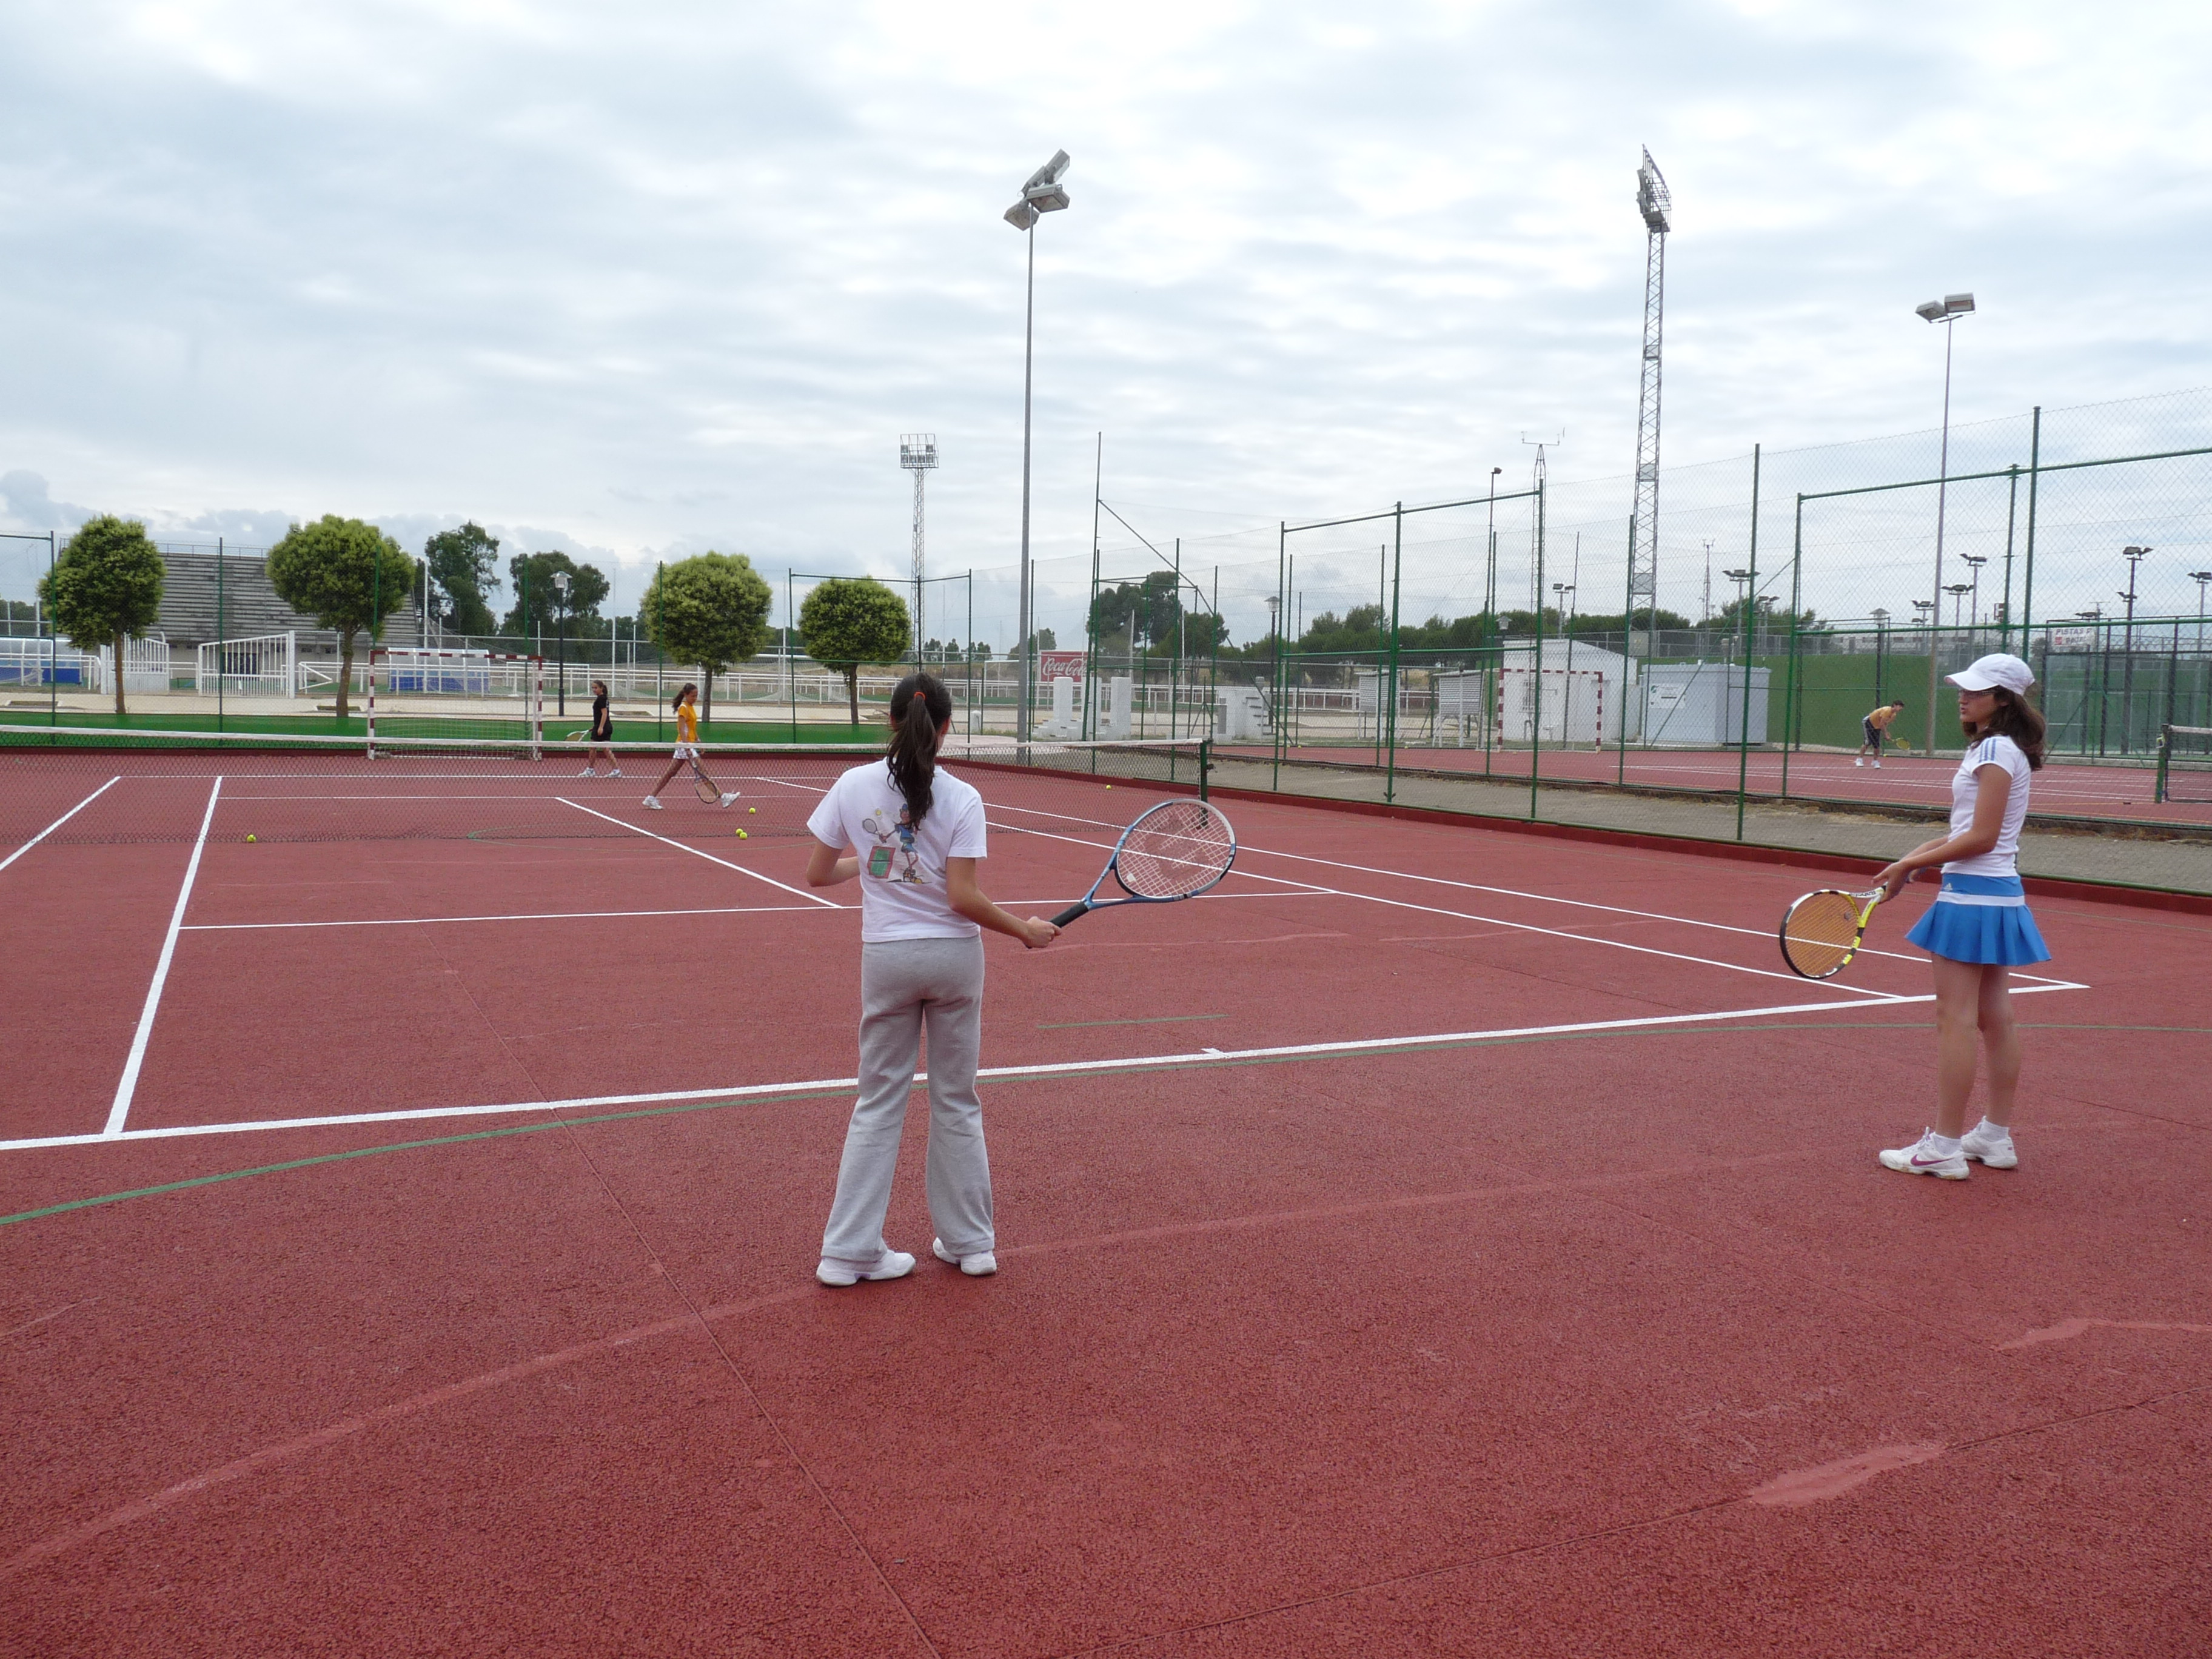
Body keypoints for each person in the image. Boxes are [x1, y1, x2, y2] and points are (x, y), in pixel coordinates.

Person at [804, 671, 1059, 1287]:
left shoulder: (851, 785)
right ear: (945, 727)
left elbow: (818, 873)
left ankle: (848, 1253)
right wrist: (1023, 930)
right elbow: (961, 897)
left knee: (877, 1102)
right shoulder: (964, 797)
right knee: (956, 1099)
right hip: (954, 961)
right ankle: (972, 1244)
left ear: (891, 720)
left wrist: (872, 863)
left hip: (887, 959)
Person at [1872, 655, 2049, 1179]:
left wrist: (1909, 864)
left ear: (2003, 699)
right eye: (1963, 690)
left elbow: (1982, 838)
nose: (1963, 697)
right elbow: (1966, 832)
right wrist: (1911, 861)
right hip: (1999, 895)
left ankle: (1944, 1147)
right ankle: (1994, 1136)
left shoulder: (1994, 749)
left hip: (1973, 898)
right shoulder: (2006, 749)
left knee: (1955, 1020)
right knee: (1997, 1019)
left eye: (1976, 691)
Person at [643, 683, 736, 809]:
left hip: (688, 744)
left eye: (696, 696)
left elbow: (691, 727)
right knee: (703, 772)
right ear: (686, 695)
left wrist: (698, 741)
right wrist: (687, 747)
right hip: (684, 745)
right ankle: (723, 797)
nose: (695, 698)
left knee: (670, 773)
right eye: (693, 696)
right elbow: (681, 729)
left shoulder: (691, 707)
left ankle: (651, 798)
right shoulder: (683, 708)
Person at [579, 679, 621, 779]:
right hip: (604, 726)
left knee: (594, 747)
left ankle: (591, 770)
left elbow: (604, 713)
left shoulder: (601, 699)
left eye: (596, 688)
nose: (594, 690)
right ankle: (615, 770)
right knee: (602, 748)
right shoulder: (603, 698)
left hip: (604, 727)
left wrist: (601, 727)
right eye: (593, 688)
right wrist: (596, 727)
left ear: (601, 688)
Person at [1856, 700, 1906, 766]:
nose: (1901, 708)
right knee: (1867, 742)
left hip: (1877, 726)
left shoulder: (1893, 715)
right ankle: (1859, 759)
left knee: (1877, 745)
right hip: (1869, 723)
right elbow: (1882, 724)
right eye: (1900, 706)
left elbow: (1884, 724)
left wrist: (1887, 733)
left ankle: (1875, 761)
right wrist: (1885, 734)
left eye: (1902, 707)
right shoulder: (1887, 711)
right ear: (1894, 705)